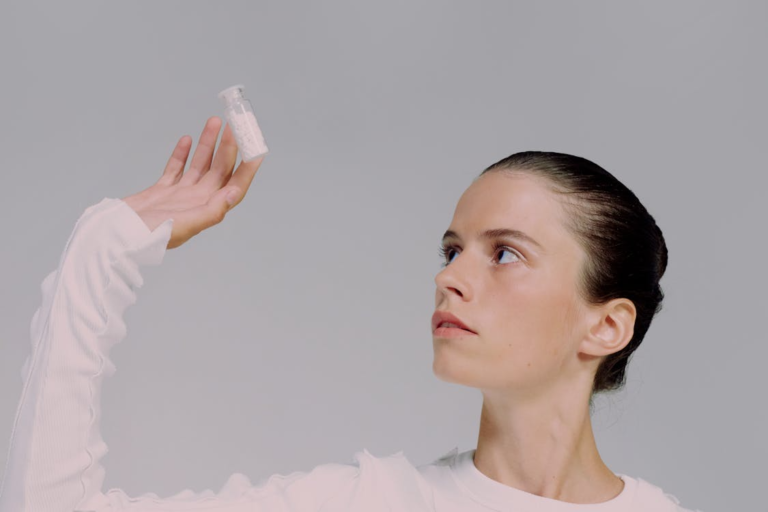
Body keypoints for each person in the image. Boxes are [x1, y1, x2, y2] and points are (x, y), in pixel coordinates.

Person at [0, 116, 702, 512]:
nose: (449, 276)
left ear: (606, 325)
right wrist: (104, 246)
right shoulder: (371, 500)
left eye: (506, 254)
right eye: (452, 248)